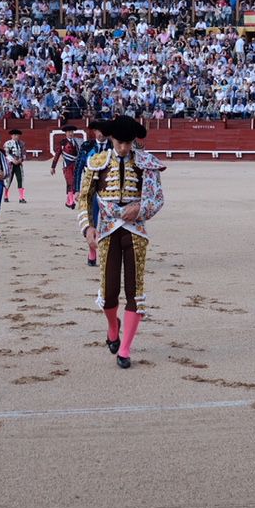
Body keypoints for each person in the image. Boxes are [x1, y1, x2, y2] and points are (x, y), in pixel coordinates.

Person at [77, 116, 166, 369]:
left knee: (135, 291)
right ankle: (112, 326)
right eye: (120, 142)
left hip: (135, 231)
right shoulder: (97, 162)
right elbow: (84, 198)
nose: (124, 148)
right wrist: (87, 227)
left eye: (128, 143)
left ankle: (125, 349)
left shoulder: (146, 163)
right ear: (112, 139)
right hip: (106, 230)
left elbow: (157, 198)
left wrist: (139, 208)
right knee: (108, 292)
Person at [75, 119, 112, 266]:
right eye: (98, 130)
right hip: (90, 188)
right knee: (91, 221)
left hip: (109, 189)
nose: (101, 134)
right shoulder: (86, 146)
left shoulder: (112, 146)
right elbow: (78, 168)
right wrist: (76, 190)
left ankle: (107, 251)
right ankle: (92, 250)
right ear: (94, 131)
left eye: (103, 131)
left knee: (108, 221)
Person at [50, 124, 81, 208]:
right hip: (67, 166)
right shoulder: (63, 142)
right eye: (68, 132)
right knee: (70, 182)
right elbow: (57, 155)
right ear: (66, 133)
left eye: (72, 132)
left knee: (74, 183)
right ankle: (71, 202)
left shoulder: (77, 142)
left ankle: (68, 201)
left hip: (76, 165)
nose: (70, 133)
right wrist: (53, 167)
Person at [2, 128, 27, 203]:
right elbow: (6, 154)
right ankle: (6, 196)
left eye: (17, 135)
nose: (16, 136)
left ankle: (21, 198)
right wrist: (13, 160)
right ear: (11, 136)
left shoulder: (22, 143)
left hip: (18, 164)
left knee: (20, 180)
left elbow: (24, 153)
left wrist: (21, 159)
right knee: (8, 180)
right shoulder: (7, 143)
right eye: (15, 135)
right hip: (10, 164)